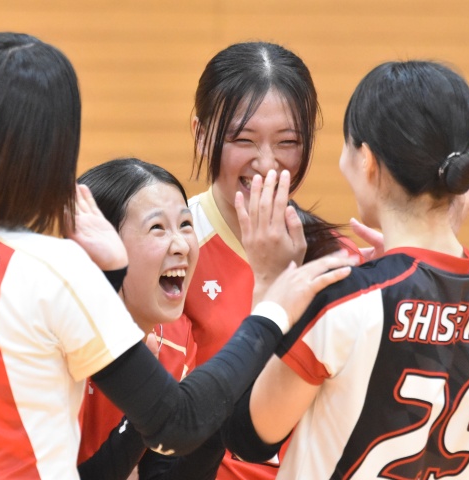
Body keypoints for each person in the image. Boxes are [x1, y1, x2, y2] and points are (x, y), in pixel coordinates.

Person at [0, 32, 352, 479]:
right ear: (47, 147)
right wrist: (271, 310)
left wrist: (113, 277)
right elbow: (177, 424)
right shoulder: (48, 268)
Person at [219, 60, 469, 479]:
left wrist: (270, 285)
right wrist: (413, 267)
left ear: (366, 160)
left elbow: (249, 436)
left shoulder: (342, 303)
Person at [184, 41, 358, 479]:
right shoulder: (173, 248)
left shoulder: (339, 258)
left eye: (288, 142)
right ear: (201, 134)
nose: (266, 163)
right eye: (242, 140)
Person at [75, 158, 220, 480]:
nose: (181, 245)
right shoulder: (62, 339)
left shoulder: (177, 338)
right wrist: (146, 411)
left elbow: (160, 471)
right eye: (158, 228)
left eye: (186, 224)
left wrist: (218, 421)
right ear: (99, 242)